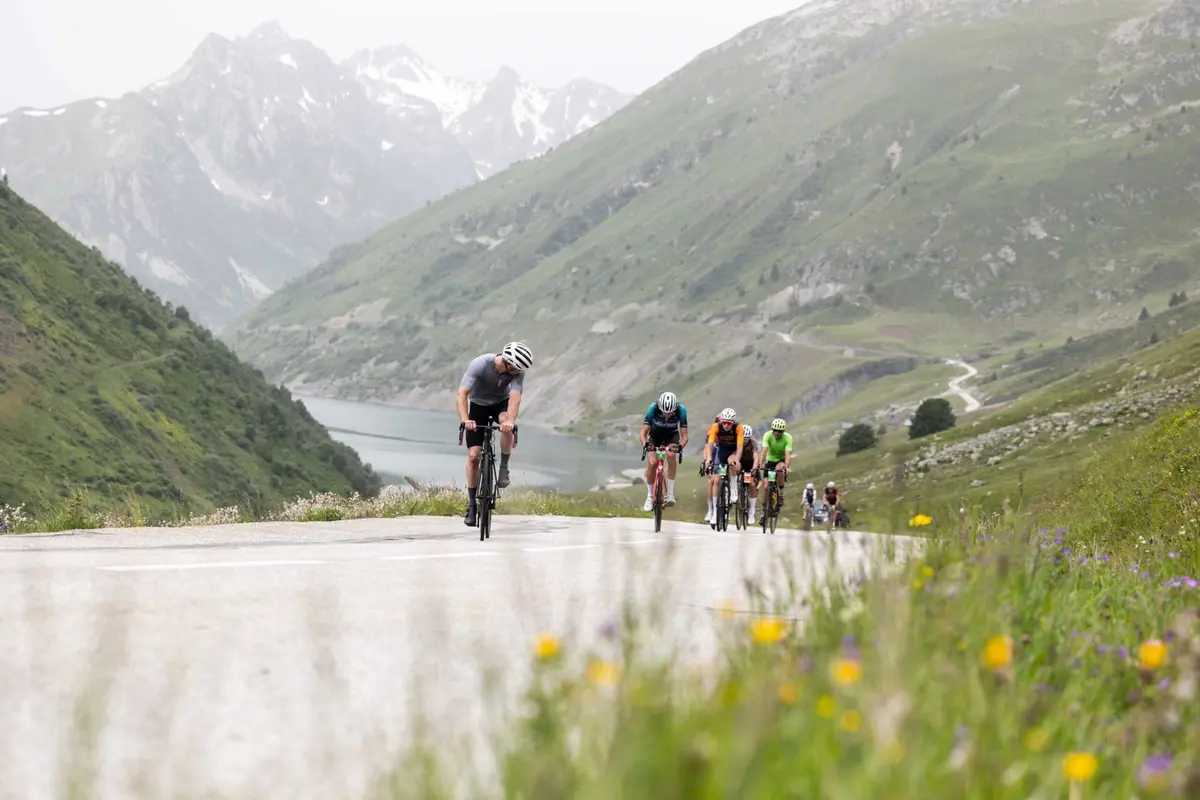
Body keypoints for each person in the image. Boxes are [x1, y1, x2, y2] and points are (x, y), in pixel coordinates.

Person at [456, 341, 533, 527]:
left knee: (506, 422)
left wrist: (510, 422)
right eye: (515, 369)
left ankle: (504, 467)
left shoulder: (517, 372)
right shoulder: (480, 364)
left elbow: (515, 398)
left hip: (500, 404)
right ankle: (472, 505)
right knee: (474, 456)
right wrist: (466, 419)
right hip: (478, 406)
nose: (518, 373)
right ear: (507, 362)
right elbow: (462, 394)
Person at [640, 391, 688, 510]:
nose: (667, 415)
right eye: (664, 412)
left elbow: (685, 436)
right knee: (652, 463)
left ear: (675, 408)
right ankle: (650, 496)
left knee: (671, 455)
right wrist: (646, 444)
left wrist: (680, 446)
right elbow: (643, 432)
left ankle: (670, 494)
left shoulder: (681, 410)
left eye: (670, 412)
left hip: (672, 436)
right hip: (655, 436)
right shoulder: (653, 408)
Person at [702, 408, 743, 524]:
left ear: (733, 422)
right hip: (721, 451)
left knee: (732, 461)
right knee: (716, 479)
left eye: (728, 423)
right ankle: (714, 512)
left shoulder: (738, 427)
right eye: (724, 422)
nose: (725, 425)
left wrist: (738, 460)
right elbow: (709, 445)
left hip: (733, 451)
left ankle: (734, 488)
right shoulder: (716, 426)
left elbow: (740, 447)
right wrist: (709, 459)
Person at [757, 418, 793, 524]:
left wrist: (786, 467)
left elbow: (788, 454)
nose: (777, 433)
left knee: (779, 469)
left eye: (780, 431)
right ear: (772, 430)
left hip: (781, 460)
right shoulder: (767, 435)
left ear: (783, 431)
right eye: (775, 430)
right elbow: (764, 451)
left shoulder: (788, 438)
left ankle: (780, 492)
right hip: (770, 461)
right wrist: (759, 465)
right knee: (766, 486)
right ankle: (764, 511)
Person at [739, 424, 759, 522]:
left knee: (751, 484)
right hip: (740, 464)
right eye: (743, 439)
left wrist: (755, 467)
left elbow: (756, 456)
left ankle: (752, 511)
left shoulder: (753, 444)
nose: (745, 441)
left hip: (750, 466)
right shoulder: (737, 442)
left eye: (747, 439)